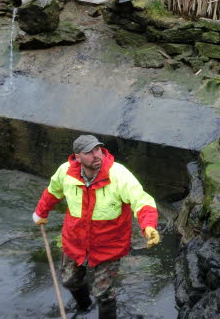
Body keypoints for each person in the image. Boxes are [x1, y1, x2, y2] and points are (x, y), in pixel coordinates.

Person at [32, 135, 160, 318]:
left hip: (109, 247)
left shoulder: (118, 174)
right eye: (89, 152)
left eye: (98, 149)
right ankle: (84, 306)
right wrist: (41, 213)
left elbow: (141, 200)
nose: (96, 155)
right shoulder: (65, 172)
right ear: (77, 157)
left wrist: (148, 226)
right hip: (74, 242)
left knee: (104, 293)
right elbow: (53, 192)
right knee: (69, 281)